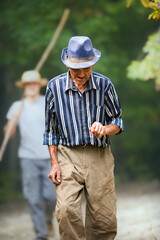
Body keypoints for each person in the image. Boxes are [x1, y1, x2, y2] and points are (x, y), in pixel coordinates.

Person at [43, 36, 123, 240]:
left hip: (99, 156)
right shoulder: (54, 87)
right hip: (67, 154)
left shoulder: (105, 85)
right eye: (76, 68)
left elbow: (118, 122)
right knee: (66, 211)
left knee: (103, 218)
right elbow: (51, 130)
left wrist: (105, 129)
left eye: (86, 68)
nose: (81, 73)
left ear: (93, 63)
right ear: (67, 63)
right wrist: (54, 164)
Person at [4, 70, 56, 240]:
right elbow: (8, 134)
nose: (31, 86)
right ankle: (41, 235)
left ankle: (48, 219)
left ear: (39, 85)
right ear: (24, 87)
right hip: (28, 158)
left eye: (34, 83)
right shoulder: (17, 106)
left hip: (49, 156)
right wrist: (13, 120)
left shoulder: (47, 103)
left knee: (51, 196)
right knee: (33, 199)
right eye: (28, 84)